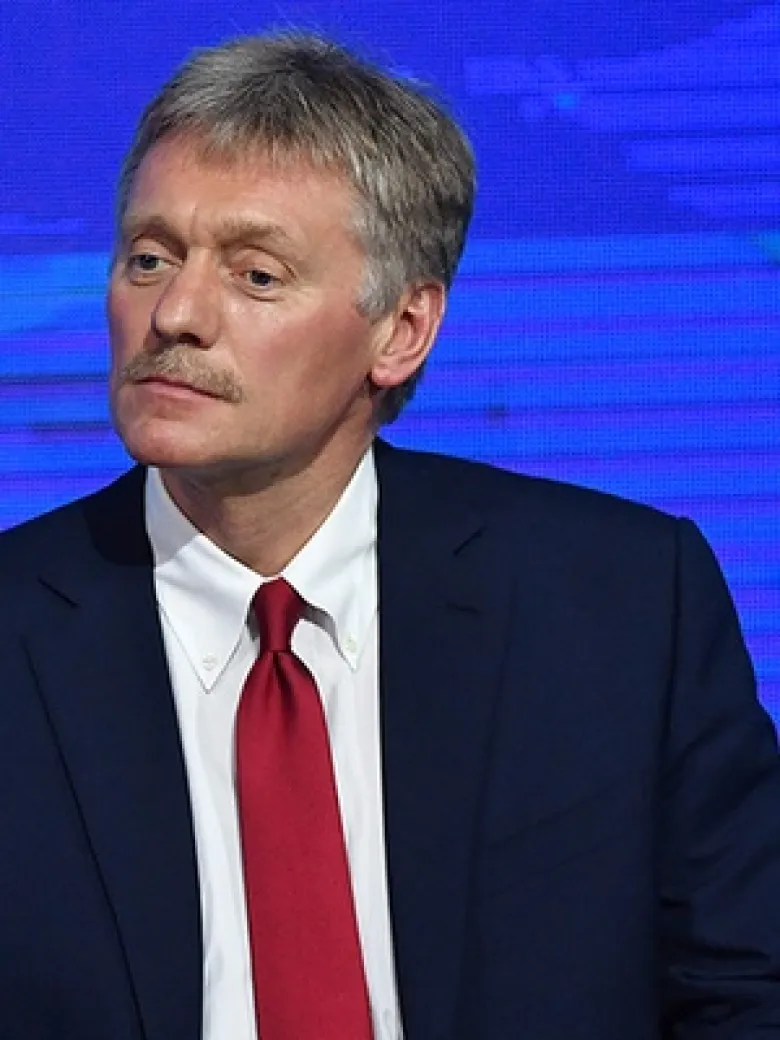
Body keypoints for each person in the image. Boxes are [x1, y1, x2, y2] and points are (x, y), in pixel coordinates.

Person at [0, 31, 778, 1040]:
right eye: (149, 258)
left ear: (401, 330)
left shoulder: (620, 606)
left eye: (257, 275)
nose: (176, 313)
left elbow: (746, 987)